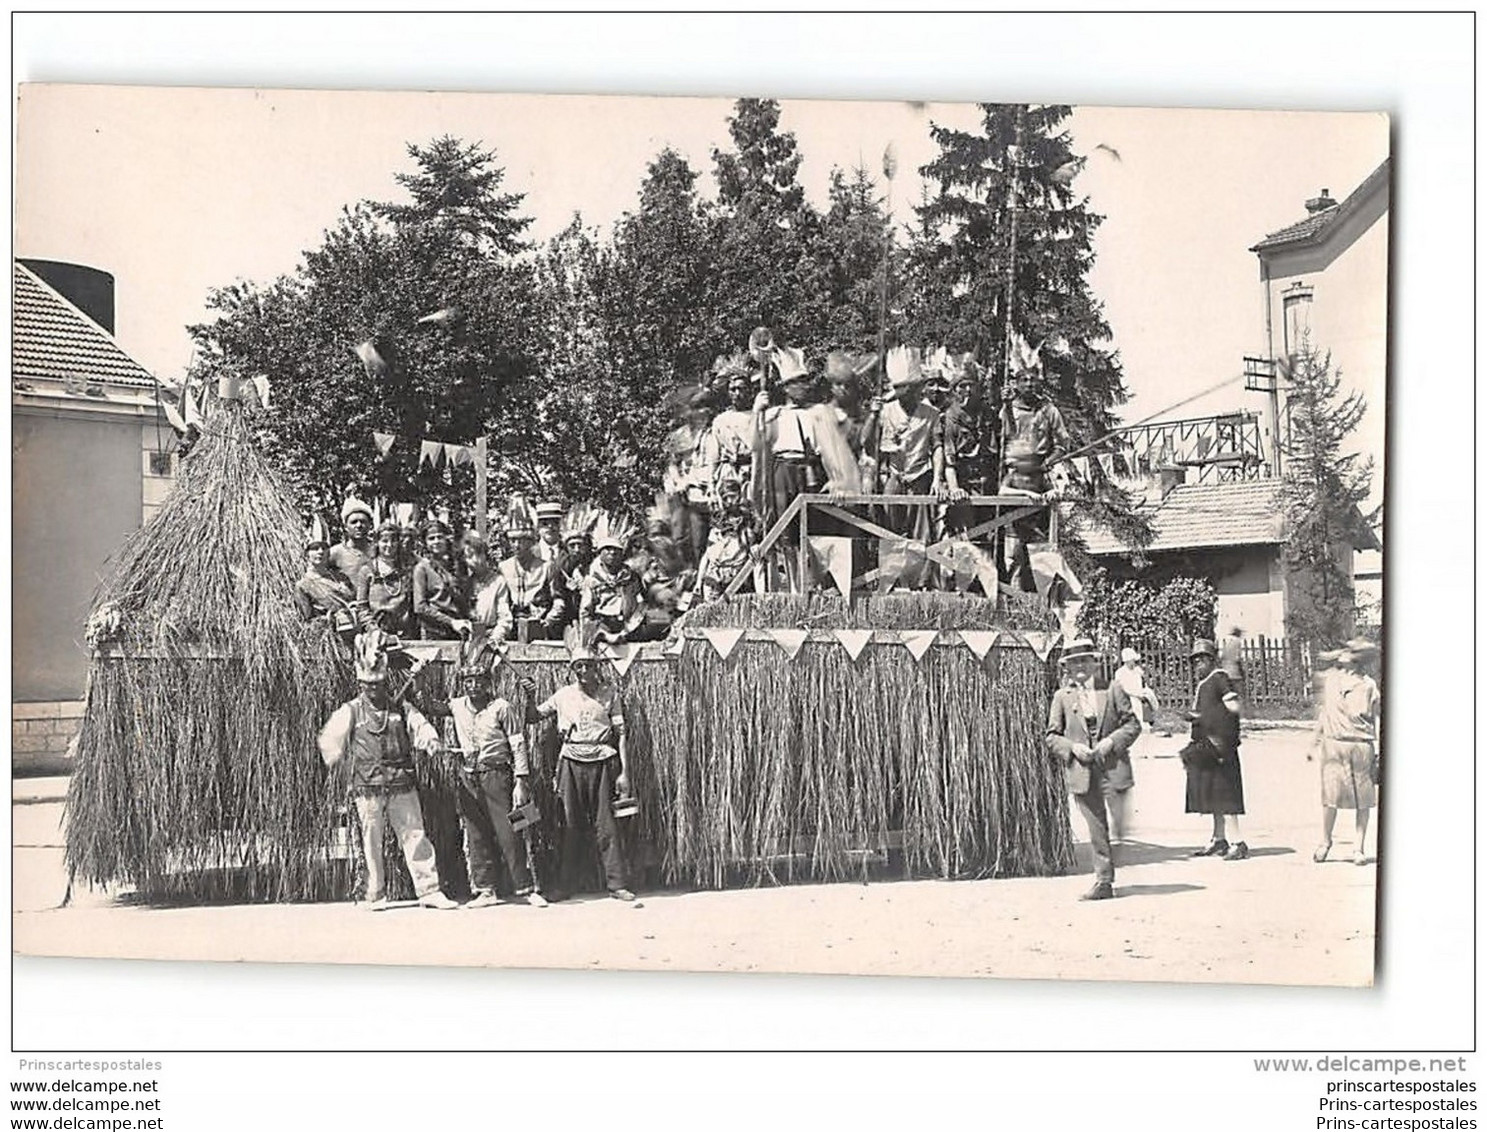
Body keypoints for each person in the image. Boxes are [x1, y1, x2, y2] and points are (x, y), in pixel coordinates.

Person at [316, 632, 459, 910]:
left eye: (379, 684)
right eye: (369, 685)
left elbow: (421, 727)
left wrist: (431, 742)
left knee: (415, 835)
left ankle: (429, 891)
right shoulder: (350, 711)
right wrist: (340, 766)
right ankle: (375, 893)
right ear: (360, 684)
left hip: (401, 782)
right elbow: (329, 742)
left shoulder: (401, 708)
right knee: (372, 839)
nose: (374, 689)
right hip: (367, 786)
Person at [526, 646, 637, 902]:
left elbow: (621, 735)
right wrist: (530, 697)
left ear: (597, 666)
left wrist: (624, 773)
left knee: (607, 824)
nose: (584, 671)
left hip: (603, 762)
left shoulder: (609, 694)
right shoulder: (563, 695)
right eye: (579, 666)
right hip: (571, 763)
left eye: (588, 665)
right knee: (568, 824)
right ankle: (565, 885)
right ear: (572, 669)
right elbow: (533, 717)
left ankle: (617, 884)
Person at [433, 663, 547, 908]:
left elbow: (518, 744)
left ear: (488, 683)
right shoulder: (456, 706)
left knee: (513, 830)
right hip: (469, 777)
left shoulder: (502, 707)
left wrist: (521, 781)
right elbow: (430, 707)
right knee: (476, 834)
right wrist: (419, 684)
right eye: (469, 681)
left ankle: (527, 888)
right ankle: (486, 890)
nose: (474, 686)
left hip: (499, 777)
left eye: (479, 681)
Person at [1045, 638, 1141, 900]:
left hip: (1113, 767)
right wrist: (1073, 748)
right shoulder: (1061, 697)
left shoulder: (1112, 689)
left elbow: (1133, 725)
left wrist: (1111, 741)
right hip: (1083, 771)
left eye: (1085, 661)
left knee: (1120, 824)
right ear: (1066, 667)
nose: (1080, 667)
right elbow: (1052, 736)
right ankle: (1104, 881)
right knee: (1097, 827)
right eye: (1074, 662)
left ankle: (1116, 849)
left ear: (1095, 664)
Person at [999, 359, 1071, 592]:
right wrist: (1005, 407)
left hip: (1040, 480)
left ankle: (1042, 599)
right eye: (1024, 380)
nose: (1029, 384)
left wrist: (1047, 464)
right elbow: (999, 439)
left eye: (1033, 380)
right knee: (1012, 550)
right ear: (1017, 384)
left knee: (1042, 546)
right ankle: (1013, 596)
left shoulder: (1049, 411)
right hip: (1013, 480)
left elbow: (1062, 444)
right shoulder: (1008, 410)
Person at [1312, 638, 1380, 865]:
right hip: (1334, 744)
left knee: (1364, 800)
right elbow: (1324, 710)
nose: (1345, 656)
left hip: (1361, 744)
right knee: (1330, 798)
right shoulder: (1332, 680)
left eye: (1352, 654)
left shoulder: (1369, 685)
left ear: (1360, 660)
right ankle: (1325, 841)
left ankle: (1358, 848)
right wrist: (1315, 740)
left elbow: (1377, 717)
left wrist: (1378, 748)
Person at [1183, 639, 1248, 860]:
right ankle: (1219, 839)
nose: (1198, 664)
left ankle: (1238, 842)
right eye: (1196, 661)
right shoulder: (1204, 683)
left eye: (1202, 659)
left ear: (1212, 660)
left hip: (1220, 747)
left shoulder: (1219, 678)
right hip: (1207, 747)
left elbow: (1233, 708)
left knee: (1226, 795)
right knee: (1212, 795)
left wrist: (1207, 721)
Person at [498, 497, 562, 642]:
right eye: (513, 540)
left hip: (540, 627)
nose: (517, 545)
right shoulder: (504, 567)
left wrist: (548, 621)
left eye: (522, 540)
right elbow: (502, 601)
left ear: (531, 542)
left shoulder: (547, 566)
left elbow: (558, 600)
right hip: (511, 627)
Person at [582, 512, 644, 646]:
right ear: (600, 553)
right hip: (601, 630)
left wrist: (630, 629)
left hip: (630, 629)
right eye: (607, 549)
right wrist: (592, 633)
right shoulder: (593, 580)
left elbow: (640, 605)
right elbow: (585, 612)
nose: (612, 553)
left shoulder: (631, 577)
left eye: (616, 550)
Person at [412, 519, 473, 641]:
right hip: (435, 632)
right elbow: (420, 607)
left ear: (446, 538)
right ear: (425, 543)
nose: (436, 542)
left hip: (460, 630)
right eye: (431, 538)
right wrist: (451, 622)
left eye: (440, 537)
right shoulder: (422, 568)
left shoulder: (457, 565)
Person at [356, 521, 415, 638]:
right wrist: (373, 630)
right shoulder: (367, 570)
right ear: (377, 542)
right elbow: (362, 608)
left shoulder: (407, 569)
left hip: (406, 635)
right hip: (377, 635)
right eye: (384, 541)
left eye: (393, 540)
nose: (389, 545)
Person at [294, 536, 358, 642]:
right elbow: (308, 621)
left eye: (324, 548)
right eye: (315, 548)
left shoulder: (341, 577)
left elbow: (355, 599)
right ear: (306, 554)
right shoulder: (302, 585)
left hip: (355, 634)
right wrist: (330, 618)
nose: (320, 551)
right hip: (330, 639)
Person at [711, 361, 758, 503]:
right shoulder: (721, 420)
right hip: (728, 474)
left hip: (753, 472)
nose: (737, 394)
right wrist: (711, 485)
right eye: (733, 389)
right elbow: (714, 455)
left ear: (750, 391)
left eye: (741, 389)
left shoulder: (759, 416)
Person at [461, 532, 514, 653]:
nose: (475, 560)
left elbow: (504, 615)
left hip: (492, 638)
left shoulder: (498, 582)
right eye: (469, 556)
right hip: (469, 640)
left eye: (478, 554)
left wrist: (496, 636)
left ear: (485, 555)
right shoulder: (466, 584)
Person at [1113, 647, 1161, 731]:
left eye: (1134, 660)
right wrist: (1135, 694)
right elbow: (1122, 688)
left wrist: (1144, 693)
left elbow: (1142, 684)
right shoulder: (1120, 673)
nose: (1134, 663)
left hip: (1139, 696)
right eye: (1132, 660)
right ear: (1127, 661)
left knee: (1143, 704)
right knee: (1133, 705)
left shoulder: (1137, 670)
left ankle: (1145, 723)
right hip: (1128, 697)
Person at [330, 497, 376, 581]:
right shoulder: (335, 553)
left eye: (363, 521)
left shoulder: (378, 551)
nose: (359, 525)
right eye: (354, 522)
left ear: (370, 525)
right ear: (345, 527)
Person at [534, 501, 566, 565]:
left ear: (560, 525)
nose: (550, 527)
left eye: (555, 522)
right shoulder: (529, 554)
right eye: (545, 524)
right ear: (537, 527)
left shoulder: (569, 552)